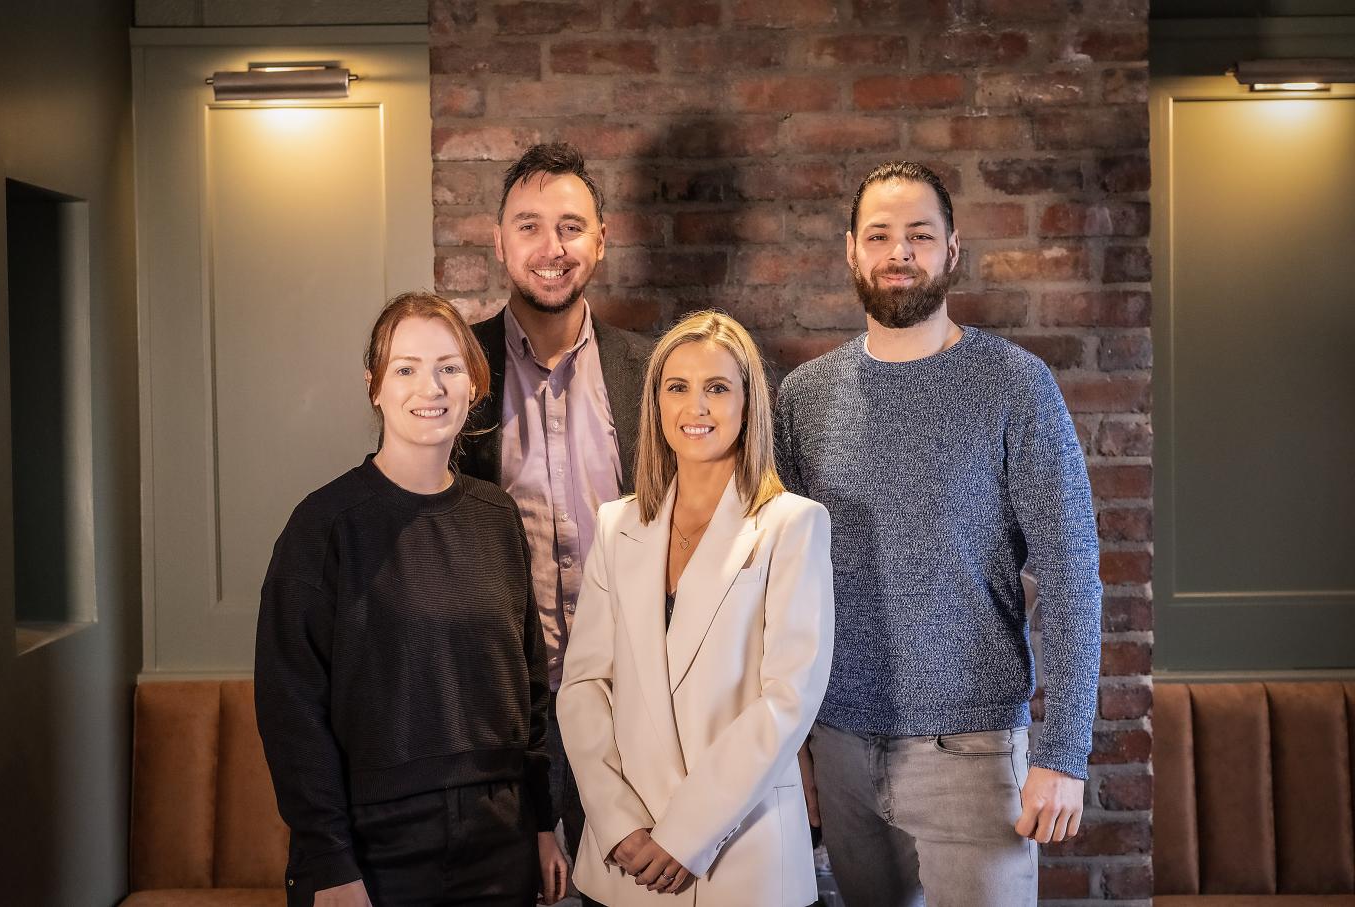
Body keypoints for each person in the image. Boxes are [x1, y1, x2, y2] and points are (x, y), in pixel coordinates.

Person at [776, 161, 1103, 907]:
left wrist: (1064, 752)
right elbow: (780, 592)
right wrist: (792, 750)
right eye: (881, 236)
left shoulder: (1016, 386)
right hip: (840, 750)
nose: (900, 252)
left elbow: (1072, 572)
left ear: (952, 251)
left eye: (920, 236)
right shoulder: (803, 398)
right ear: (850, 251)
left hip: (975, 755)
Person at [255, 292, 567, 907]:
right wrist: (328, 860)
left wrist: (540, 820)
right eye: (406, 368)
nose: (432, 386)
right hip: (375, 850)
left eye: (449, 367)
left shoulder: (496, 516)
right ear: (375, 386)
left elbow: (528, 687)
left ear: (474, 382)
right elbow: (291, 709)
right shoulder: (324, 526)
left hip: (499, 839)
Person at [558, 311, 834, 907]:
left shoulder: (793, 525)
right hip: (623, 864)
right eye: (677, 387)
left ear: (747, 402)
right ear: (656, 402)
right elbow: (583, 687)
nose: (696, 407)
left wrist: (685, 835)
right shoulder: (617, 525)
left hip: (741, 859)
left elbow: (788, 702)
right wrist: (618, 823)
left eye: (716, 388)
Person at [457, 143, 652, 860]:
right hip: (502, 712)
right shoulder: (456, 370)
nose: (552, 246)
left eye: (571, 226)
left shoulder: (654, 371)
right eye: (530, 225)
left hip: (633, 708)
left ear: (601, 240)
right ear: (500, 240)